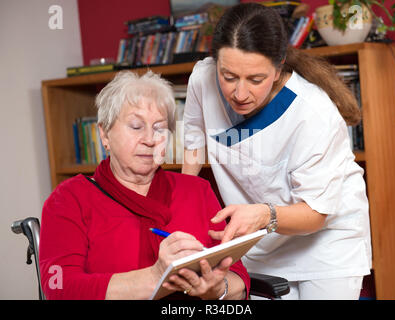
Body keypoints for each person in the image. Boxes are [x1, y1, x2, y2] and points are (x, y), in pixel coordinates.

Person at [182, 2, 371, 300]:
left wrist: (263, 215)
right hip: (259, 242)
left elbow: (315, 213)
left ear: (279, 64)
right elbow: (194, 137)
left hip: (325, 244)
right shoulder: (202, 79)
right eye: (228, 76)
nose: (240, 93)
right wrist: (184, 208)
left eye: (255, 80)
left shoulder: (313, 113)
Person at [39, 70, 249, 300]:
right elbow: (59, 286)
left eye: (159, 128)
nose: (150, 140)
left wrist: (217, 289)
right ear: (104, 134)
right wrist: (156, 276)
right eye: (136, 126)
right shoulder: (69, 199)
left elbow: (238, 276)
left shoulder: (197, 190)